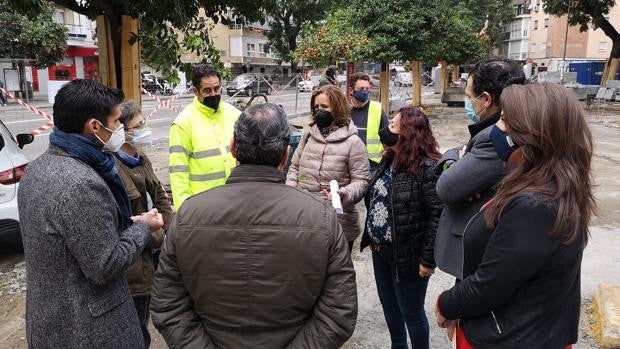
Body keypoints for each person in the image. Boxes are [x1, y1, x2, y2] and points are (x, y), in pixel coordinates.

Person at [151, 103, 357, 348]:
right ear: (285, 155)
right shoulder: (321, 217)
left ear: (233, 148)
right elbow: (339, 311)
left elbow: (168, 304)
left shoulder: (189, 214)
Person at [435, 82, 594, 349]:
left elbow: (490, 283)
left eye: (506, 121)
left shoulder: (536, 204)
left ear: (533, 135)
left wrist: (445, 304)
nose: (497, 128)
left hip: (509, 337)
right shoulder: (546, 184)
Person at [17, 79, 163, 348]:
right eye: (117, 122)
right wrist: (143, 227)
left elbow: (74, 237)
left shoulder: (35, 170)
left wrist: (127, 223)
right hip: (89, 329)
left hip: (51, 320)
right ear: (95, 126)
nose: (120, 128)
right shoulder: (82, 182)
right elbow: (104, 266)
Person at [434, 58, 525, 280]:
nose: (468, 101)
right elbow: (459, 150)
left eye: (468, 96)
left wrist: (455, 162)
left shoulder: (497, 137)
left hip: (480, 249)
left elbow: (446, 187)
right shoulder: (517, 125)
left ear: (485, 99)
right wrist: (458, 158)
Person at [360, 107, 444, 349]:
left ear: (409, 135)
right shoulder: (389, 160)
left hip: (407, 255)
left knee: (412, 312)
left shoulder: (427, 168)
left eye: (394, 126)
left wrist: (428, 260)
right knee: (389, 306)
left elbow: (436, 216)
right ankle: (398, 345)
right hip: (380, 251)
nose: (387, 129)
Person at [114, 101, 173, 348]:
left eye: (143, 123)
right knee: (135, 330)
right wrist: (158, 234)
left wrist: (169, 231)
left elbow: (160, 195)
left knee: (145, 319)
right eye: (138, 126)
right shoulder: (113, 169)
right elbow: (126, 222)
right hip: (133, 266)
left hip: (153, 255)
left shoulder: (141, 158)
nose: (144, 129)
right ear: (123, 132)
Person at [286, 85, 370, 252]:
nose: (319, 111)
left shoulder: (353, 142)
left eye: (324, 107)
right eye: (316, 107)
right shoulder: (308, 134)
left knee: (336, 275)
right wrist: (291, 193)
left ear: (337, 108)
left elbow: (362, 181)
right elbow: (294, 168)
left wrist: (343, 194)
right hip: (306, 219)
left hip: (339, 223)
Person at [169, 64, 241, 208]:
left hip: (235, 200)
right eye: (207, 90)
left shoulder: (235, 115)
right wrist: (183, 211)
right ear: (196, 91)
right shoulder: (183, 124)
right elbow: (178, 173)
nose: (213, 94)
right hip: (203, 206)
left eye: (217, 88)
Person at [348, 73, 390, 171]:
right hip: (348, 163)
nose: (365, 91)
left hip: (372, 165)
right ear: (351, 90)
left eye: (367, 89)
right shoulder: (344, 110)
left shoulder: (377, 108)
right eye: (361, 88)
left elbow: (387, 137)